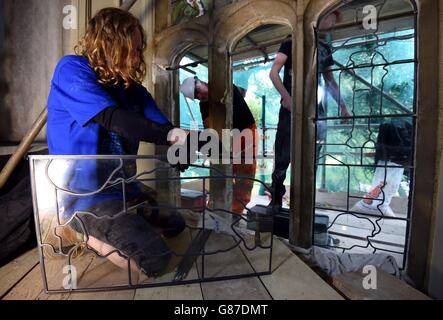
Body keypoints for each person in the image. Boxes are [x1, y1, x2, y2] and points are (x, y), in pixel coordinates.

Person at [47, 8, 188, 277]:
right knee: (156, 259)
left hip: (125, 189)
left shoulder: (134, 91)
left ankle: (125, 224)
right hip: (85, 195)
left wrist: (183, 145)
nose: (137, 57)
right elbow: (113, 118)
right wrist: (171, 137)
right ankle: (79, 229)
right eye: (131, 49)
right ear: (109, 45)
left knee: (175, 224)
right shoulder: (72, 69)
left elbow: (164, 128)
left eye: (138, 49)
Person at [268, 11, 350, 215]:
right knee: (283, 157)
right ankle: (276, 200)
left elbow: (329, 81)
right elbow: (274, 72)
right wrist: (287, 97)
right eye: (332, 18)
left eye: (335, 21)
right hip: (290, 110)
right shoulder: (291, 41)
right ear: (321, 16)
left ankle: (302, 205)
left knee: (310, 158)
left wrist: (343, 105)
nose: (332, 24)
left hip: (315, 112)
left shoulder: (324, 49)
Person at [180, 77, 257, 216]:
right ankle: (216, 209)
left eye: (198, 91)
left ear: (199, 81)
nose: (199, 96)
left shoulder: (225, 86)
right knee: (220, 172)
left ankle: (235, 213)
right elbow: (210, 132)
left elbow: (226, 119)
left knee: (244, 177)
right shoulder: (204, 105)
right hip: (225, 139)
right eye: (196, 96)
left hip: (244, 133)